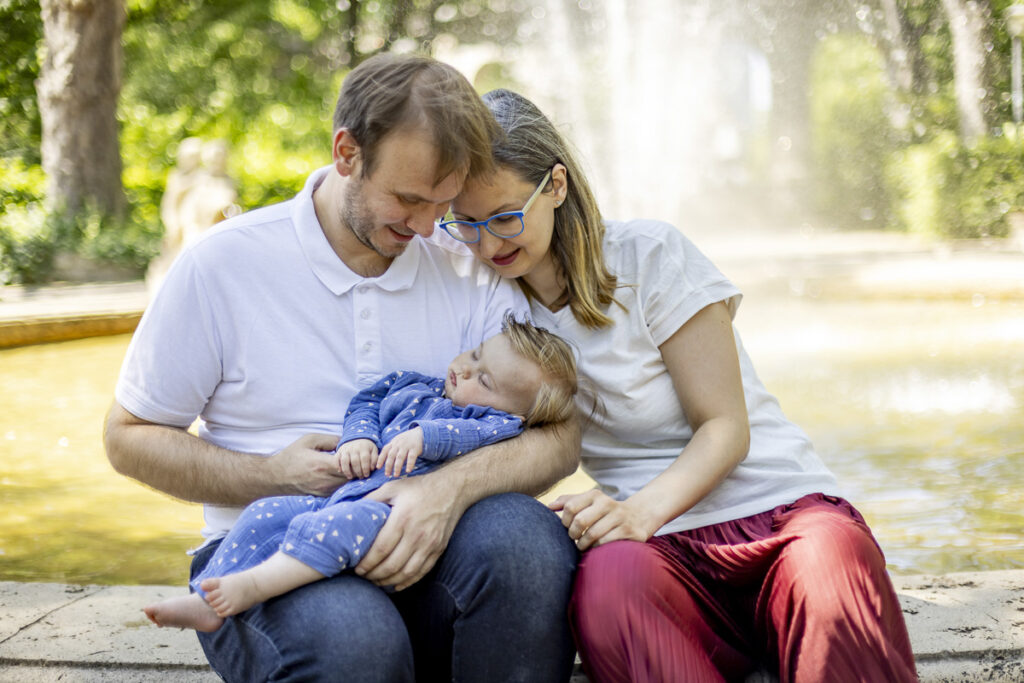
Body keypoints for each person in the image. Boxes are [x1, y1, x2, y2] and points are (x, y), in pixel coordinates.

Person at [104, 57, 581, 683]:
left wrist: (442, 491)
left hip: (427, 542)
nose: (426, 227)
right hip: (267, 552)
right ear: (346, 152)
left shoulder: (464, 261)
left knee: (528, 545)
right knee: (357, 641)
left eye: (442, 203)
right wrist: (271, 474)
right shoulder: (224, 265)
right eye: (408, 200)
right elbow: (127, 437)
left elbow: (560, 433)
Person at [445, 88, 918, 682]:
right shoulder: (490, 310)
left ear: (557, 187)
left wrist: (638, 511)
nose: (488, 245)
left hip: (777, 517)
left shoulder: (649, 256)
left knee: (829, 566)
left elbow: (725, 427)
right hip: (661, 556)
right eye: (467, 224)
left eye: (506, 218)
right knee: (606, 590)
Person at [142, 314, 577, 633]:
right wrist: (359, 439)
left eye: (483, 379)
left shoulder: (492, 421)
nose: (463, 369)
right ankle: (207, 596)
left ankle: (254, 586)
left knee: (335, 528)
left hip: (388, 511)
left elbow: (477, 433)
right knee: (265, 512)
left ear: (515, 412)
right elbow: (369, 401)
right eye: (475, 355)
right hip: (336, 493)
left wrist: (425, 438)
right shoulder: (415, 384)